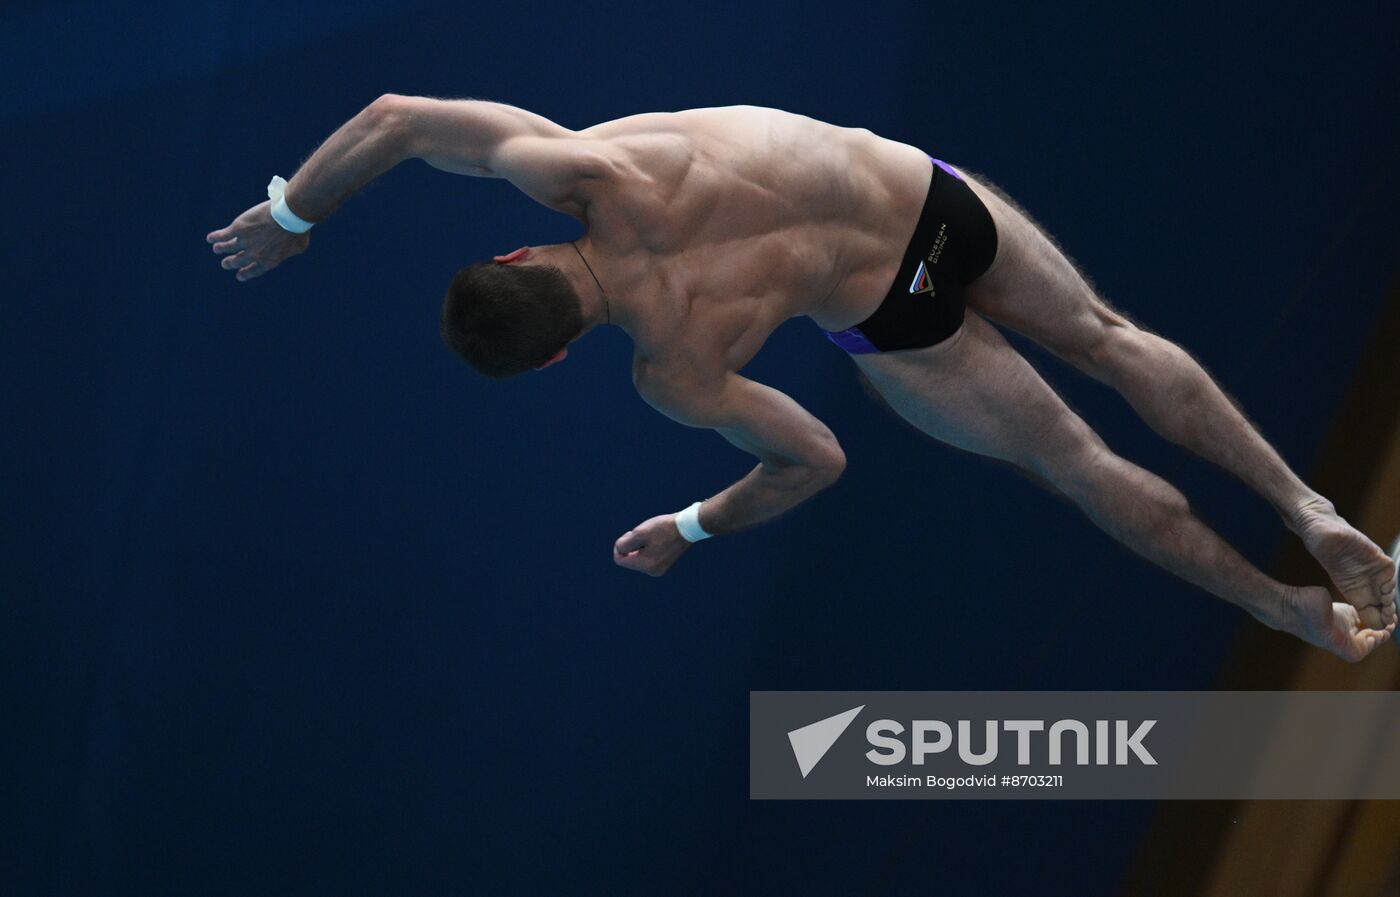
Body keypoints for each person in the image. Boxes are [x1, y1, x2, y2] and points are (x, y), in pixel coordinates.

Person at [206, 95, 1397, 661]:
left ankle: (1281, 606)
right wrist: (291, 212)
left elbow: (814, 460)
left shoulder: (672, 368)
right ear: (517, 248)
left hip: (886, 310)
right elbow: (400, 118)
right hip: (921, 198)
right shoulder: (584, 167)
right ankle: (1308, 509)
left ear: (558, 352)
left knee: (1074, 465)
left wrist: (691, 524)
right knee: (1105, 336)